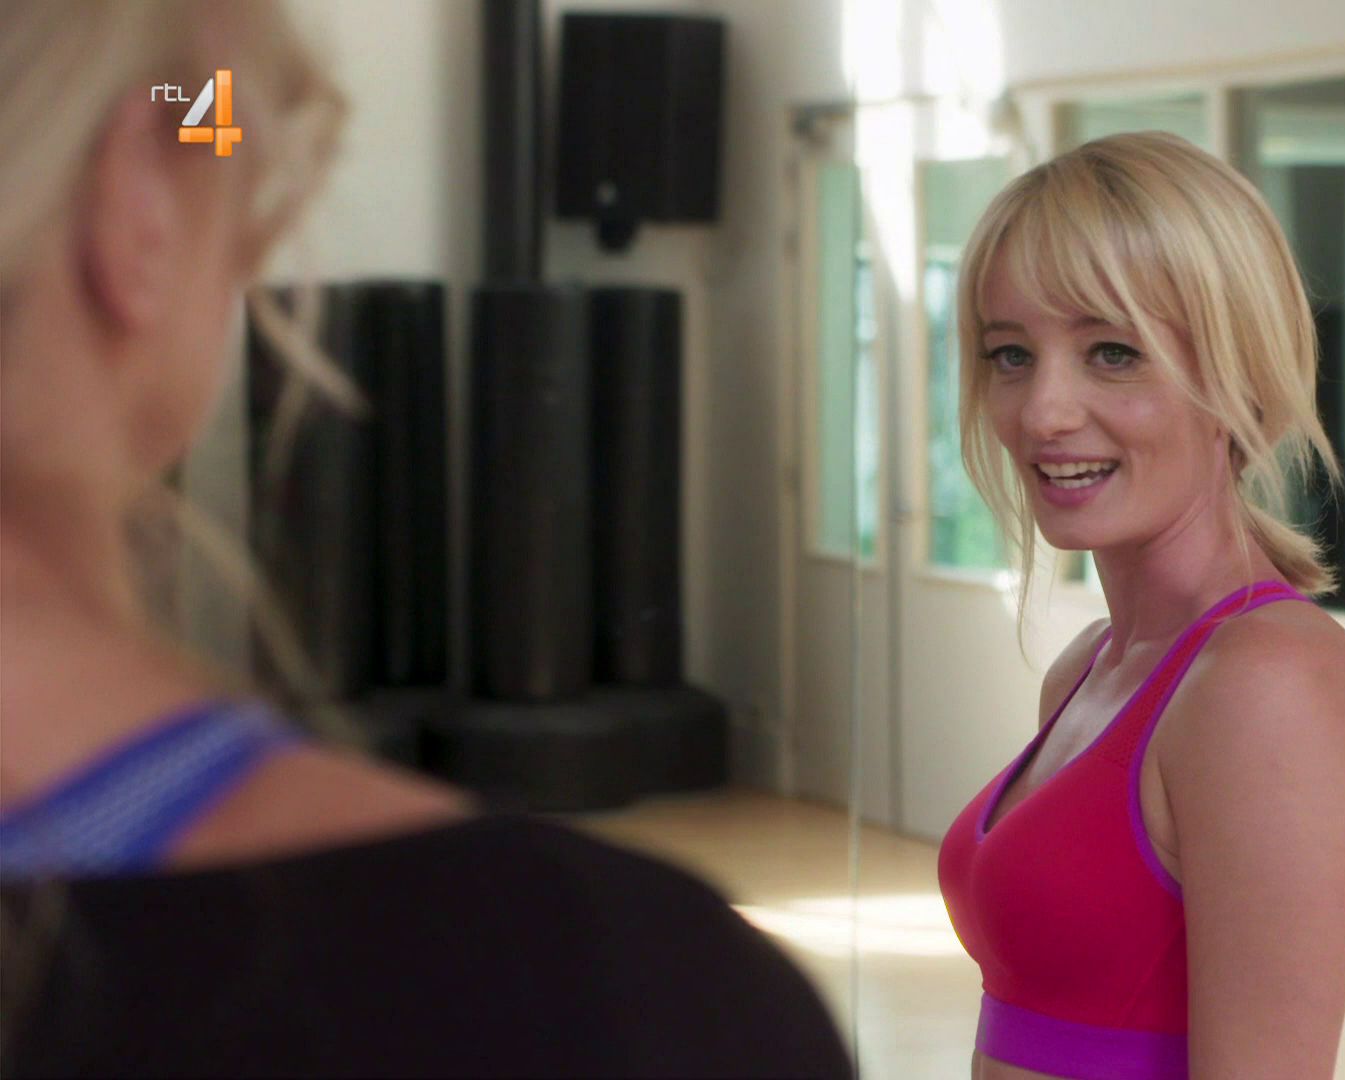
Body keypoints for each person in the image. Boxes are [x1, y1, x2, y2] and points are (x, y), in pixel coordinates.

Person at [0, 3, 851, 1076]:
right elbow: (189, 99)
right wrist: (212, 111)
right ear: (140, 212)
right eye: (234, 179)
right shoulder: (594, 988)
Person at [935, 131, 1345, 1080]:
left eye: (1112, 353)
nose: (1043, 412)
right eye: (1011, 355)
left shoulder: (1268, 683)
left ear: (1240, 376)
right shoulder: (1090, 667)